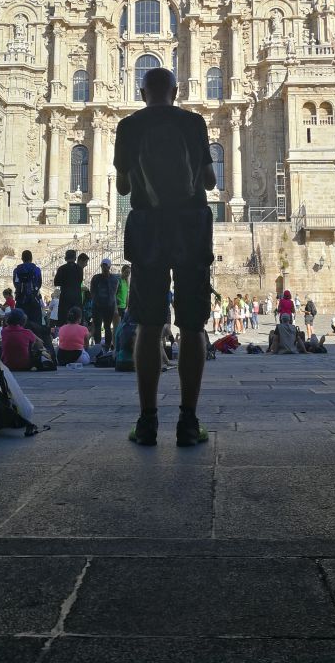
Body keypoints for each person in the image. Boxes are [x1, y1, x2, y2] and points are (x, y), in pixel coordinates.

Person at [114, 66, 216, 447]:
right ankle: (189, 423)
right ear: (176, 91)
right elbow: (209, 181)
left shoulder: (128, 127)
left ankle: (147, 422)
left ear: (142, 94)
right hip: (191, 228)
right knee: (193, 326)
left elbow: (123, 188)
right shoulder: (194, 123)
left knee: (149, 325)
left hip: (147, 230)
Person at [90, 258, 119, 348]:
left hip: (109, 306)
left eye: (105, 265)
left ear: (109, 266)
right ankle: (97, 345)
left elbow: (114, 292)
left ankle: (107, 345)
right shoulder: (96, 278)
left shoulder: (114, 279)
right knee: (98, 326)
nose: (104, 267)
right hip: (98, 306)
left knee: (107, 326)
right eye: (103, 265)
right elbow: (92, 291)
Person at [13, 250, 43, 332]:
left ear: (22, 258)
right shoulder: (37, 270)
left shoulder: (17, 270)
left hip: (21, 300)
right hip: (34, 299)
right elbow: (39, 283)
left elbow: (16, 284)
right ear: (31, 258)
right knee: (36, 323)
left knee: (20, 323)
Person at [54, 249, 83, 327]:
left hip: (65, 297)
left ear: (66, 258)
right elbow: (80, 281)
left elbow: (56, 282)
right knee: (76, 320)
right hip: (76, 297)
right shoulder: (79, 269)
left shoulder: (61, 269)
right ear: (75, 258)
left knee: (64, 321)